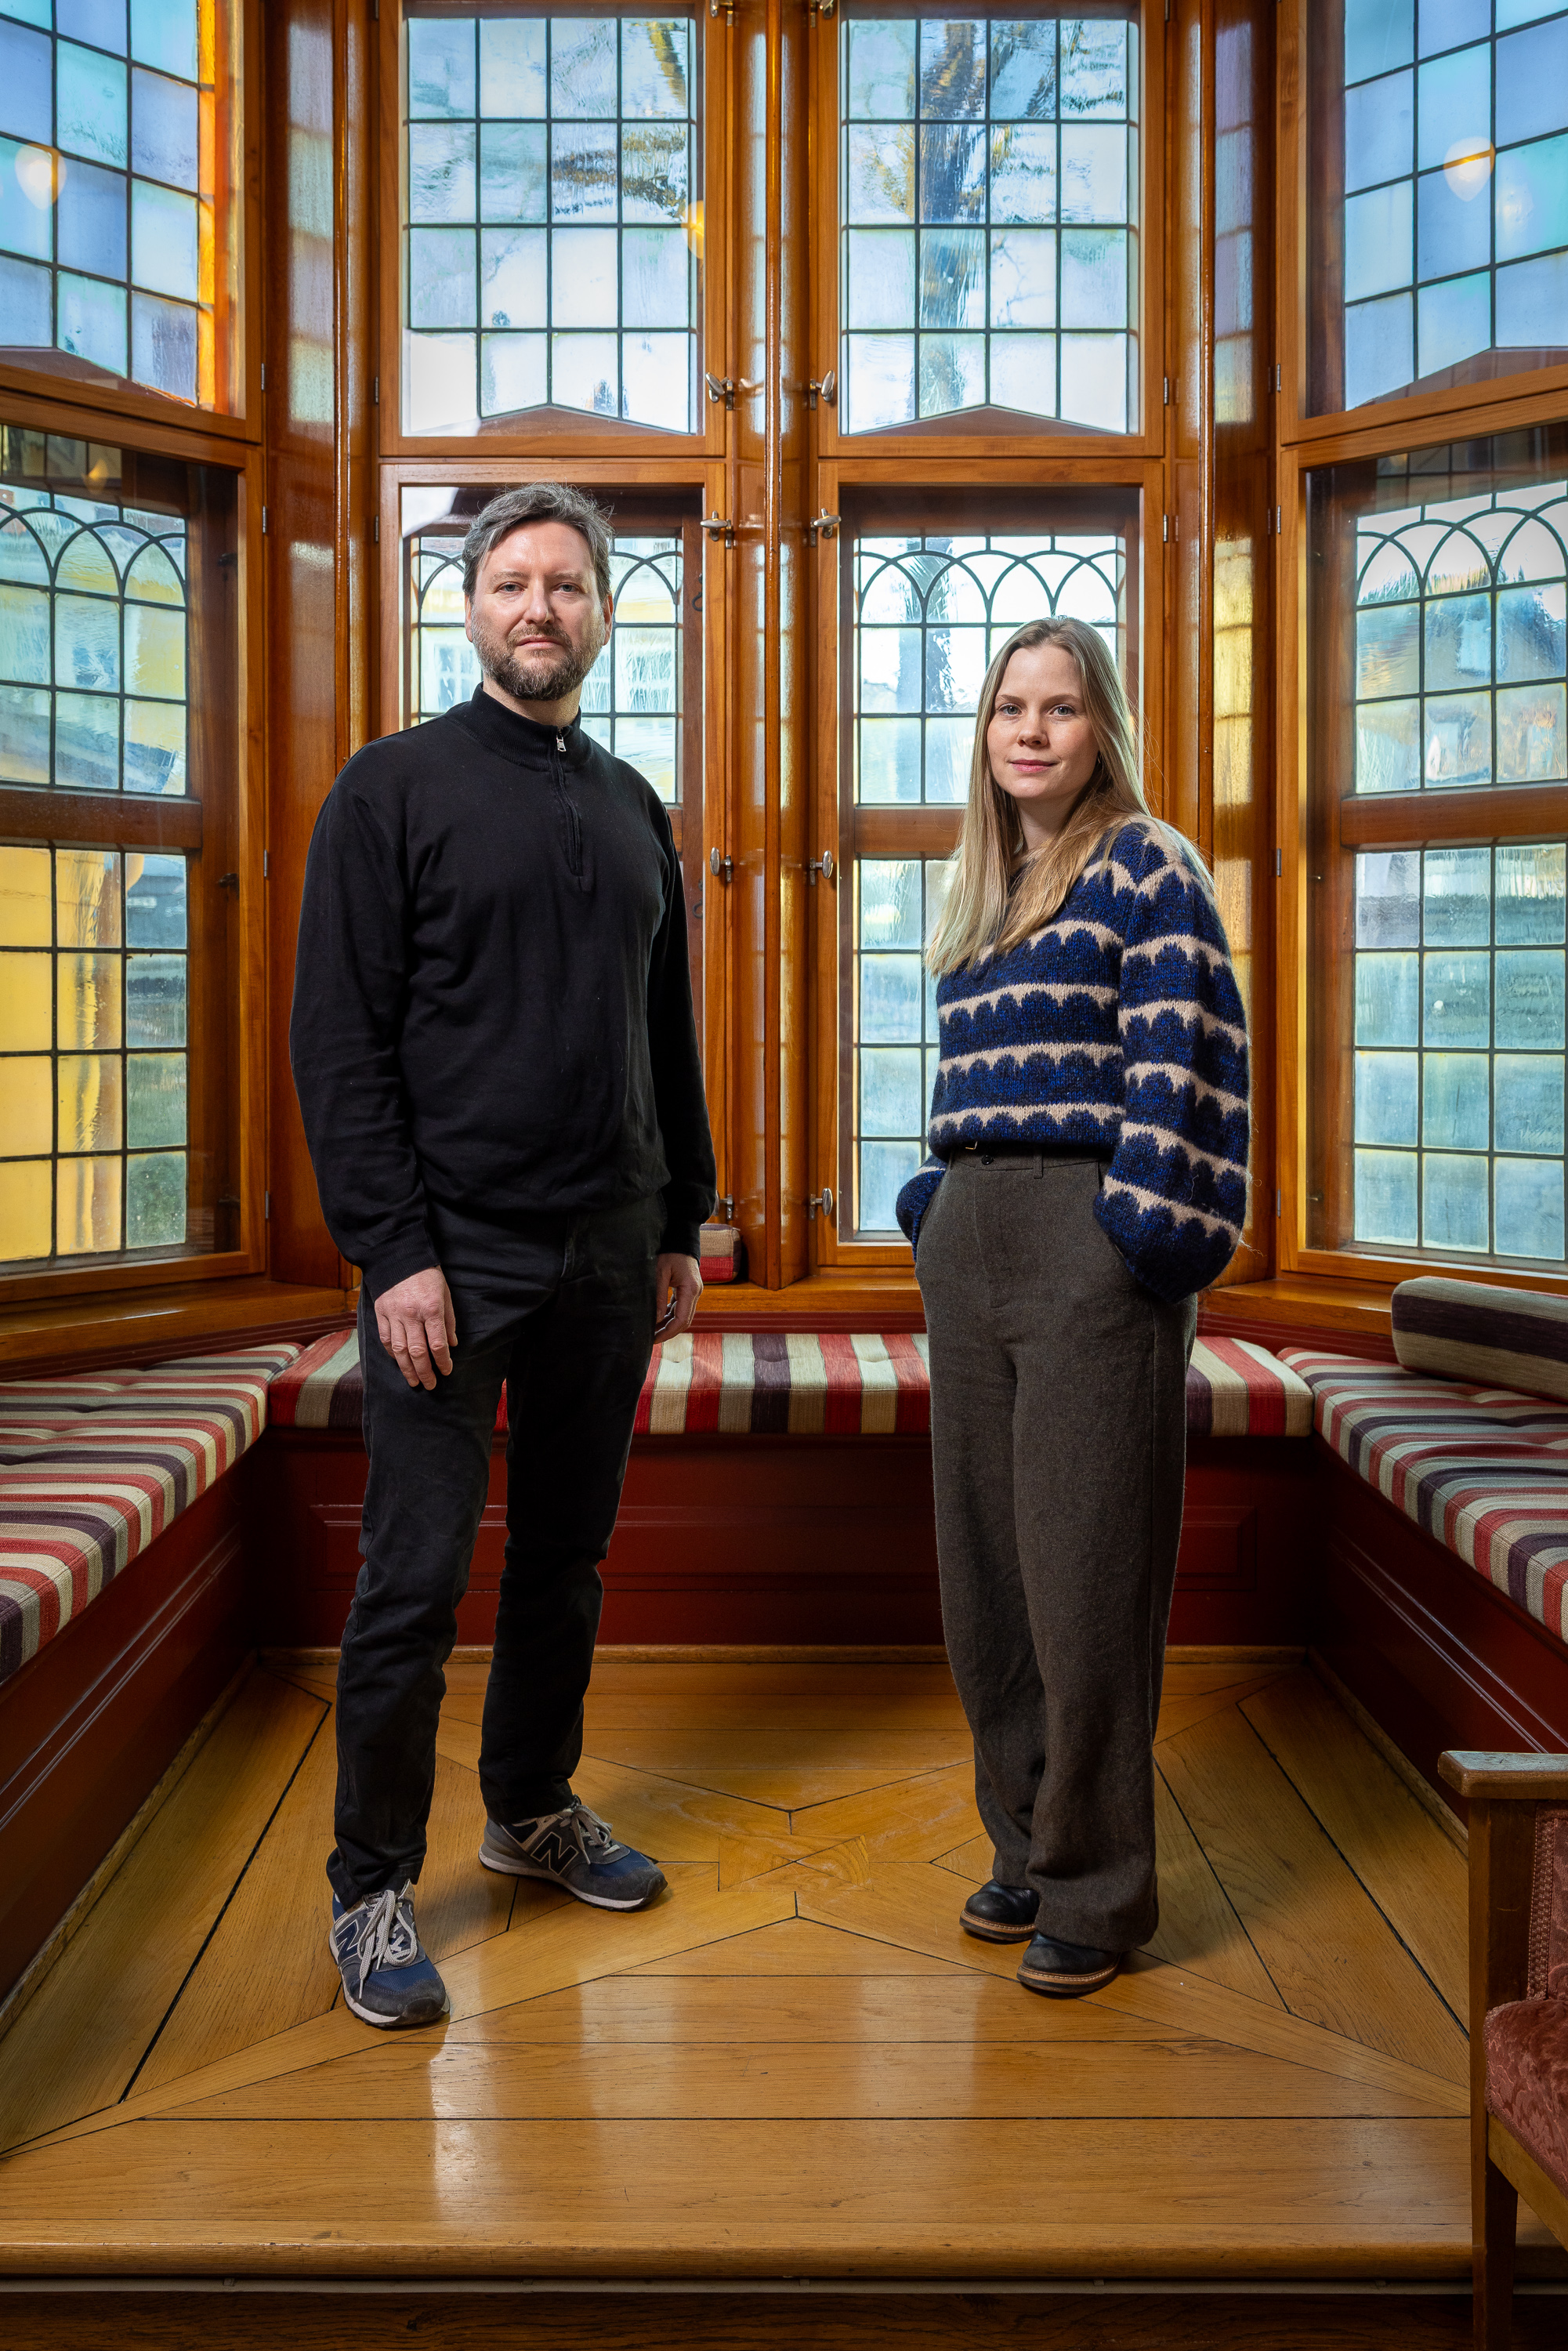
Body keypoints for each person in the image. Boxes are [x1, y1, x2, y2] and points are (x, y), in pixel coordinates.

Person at [291, 483, 715, 2028]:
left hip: (609, 1251)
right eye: (513, 582)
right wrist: (392, 1252)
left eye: (567, 585)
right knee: (411, 1583)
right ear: (468, 608)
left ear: (602, 615)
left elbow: (662, 1033)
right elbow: (336, 1044)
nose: (539, 607)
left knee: (563, 1561)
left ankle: (529, 1809)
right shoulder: (387, 791)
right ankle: (372, 1889)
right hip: (445, 1266)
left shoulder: (629, 802)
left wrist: (681, 1217)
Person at [898, 616, 1248, 2001]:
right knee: (986, 1579)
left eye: (1057, 707)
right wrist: (935, 1206)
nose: (1029, 731)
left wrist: (1139, 1238)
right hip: (973, 1237)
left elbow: (1187, 1061)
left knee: (1085, 1579)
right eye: (1006, 709)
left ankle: (1097, 1896)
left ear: (1102, 724)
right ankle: (1028, 1847)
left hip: (1089, 1243)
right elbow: (964, 1088)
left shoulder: (1145, 865)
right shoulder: (984, 894)